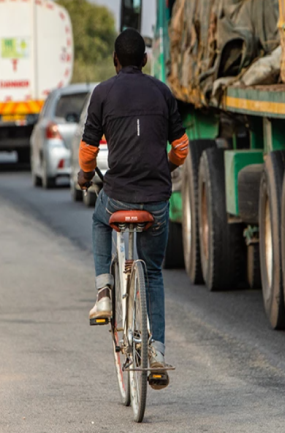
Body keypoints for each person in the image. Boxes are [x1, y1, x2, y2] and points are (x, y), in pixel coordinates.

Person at [77, 28, 189, 390]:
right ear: (144, 59)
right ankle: (157, 353)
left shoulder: (102, 93)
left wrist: (85, 177)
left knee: (99, 220)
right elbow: (182, 149)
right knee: (153, 273)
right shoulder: (162, 91)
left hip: (119, 196)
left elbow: (88, 151)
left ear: (115, 60)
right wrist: (165, 167)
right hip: (156, 201)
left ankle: (104, 294)